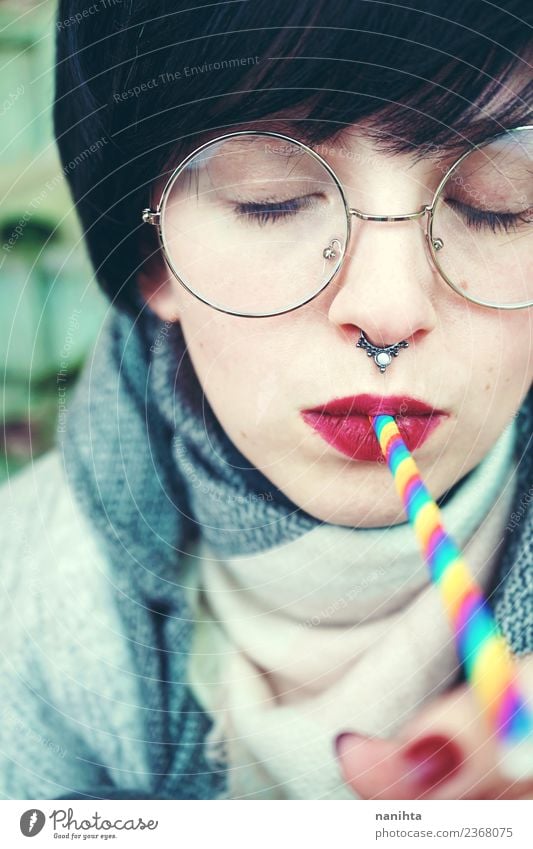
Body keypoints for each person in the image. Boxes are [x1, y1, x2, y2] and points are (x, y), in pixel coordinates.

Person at [0, 0, 531, 800]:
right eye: (270, 196)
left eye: (498, 201)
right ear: (152, 254)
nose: (385, 311)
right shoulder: (21, 593)